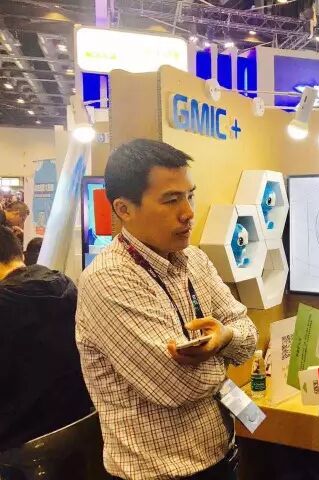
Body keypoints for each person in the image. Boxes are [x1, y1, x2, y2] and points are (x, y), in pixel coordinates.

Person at [75, 139, 258, 480]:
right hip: (157, 473)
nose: (188, 212)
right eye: (171, 200)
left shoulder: (194, 259)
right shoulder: (108, 279)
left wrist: (225, 338)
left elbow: (247, 335)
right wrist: (224, 351)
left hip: (221, 456)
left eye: (190, 196)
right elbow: (177, 385)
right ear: (124, 209)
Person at [0, 226, 92, 452]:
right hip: (78, 428)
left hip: (17, 444)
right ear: (20, 254)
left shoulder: (6, 303)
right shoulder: (65, 284)